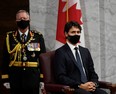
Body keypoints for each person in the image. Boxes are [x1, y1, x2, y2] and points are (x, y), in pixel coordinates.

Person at [53, 21, 108, 94]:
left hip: (88, 86)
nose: (76, 34)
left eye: (78, 32)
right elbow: (61, 76)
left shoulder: (85, 51)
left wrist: (93, 83)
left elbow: (92, 72)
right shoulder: (60, 52)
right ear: (66, 34)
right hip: (73, 88)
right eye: (73, 32)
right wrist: (80, 85)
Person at [1, 10, 46, 94]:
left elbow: (42, 60)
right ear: (16, 21)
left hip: (33, 78)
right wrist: (5, 78)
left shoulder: (38, 37)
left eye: (25, 18)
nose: (22, 20)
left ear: (29, 20)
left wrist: (42, 79)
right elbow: (5, 59)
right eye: (20, 19)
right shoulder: (9, 37)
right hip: (15, 78)